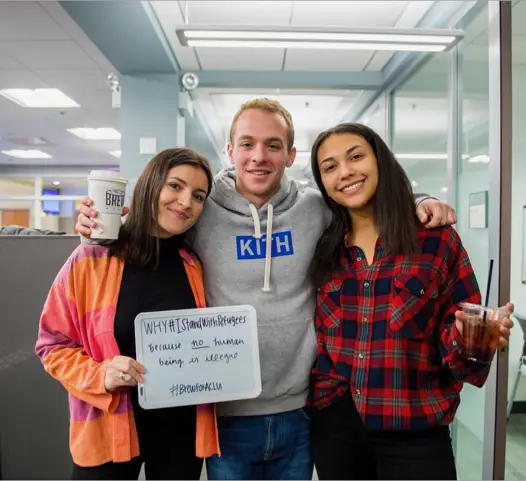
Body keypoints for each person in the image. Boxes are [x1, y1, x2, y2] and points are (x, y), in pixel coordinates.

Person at [74, 99, 458, 481]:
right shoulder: (200, 208)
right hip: (227, 413)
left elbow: (363, 201)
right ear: (230, 150)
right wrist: (102, 223)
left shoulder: (315, 207)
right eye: (247, 144)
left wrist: (419, 201)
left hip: (301, 409)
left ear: (290, 155)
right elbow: (153, 225)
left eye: (273, 145)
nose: (259, 156)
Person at [306, 122, 514, 481]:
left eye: (356, 157)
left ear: (380, 161)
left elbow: (462, 360)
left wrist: (470, 338)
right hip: (337, 427)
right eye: (330, 166)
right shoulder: (324, 247)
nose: (346, 172)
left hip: (415, 433)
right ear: (322, 183)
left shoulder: (436, 241)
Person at [35, 148, 220, 481]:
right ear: (150, 185)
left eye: (198, 195)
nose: (185, 202)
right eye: (175, 186)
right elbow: (51, 345)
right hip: (109, 429)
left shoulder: (194, 264)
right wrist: (100, 374)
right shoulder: (92, 258)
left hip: (180, 433)